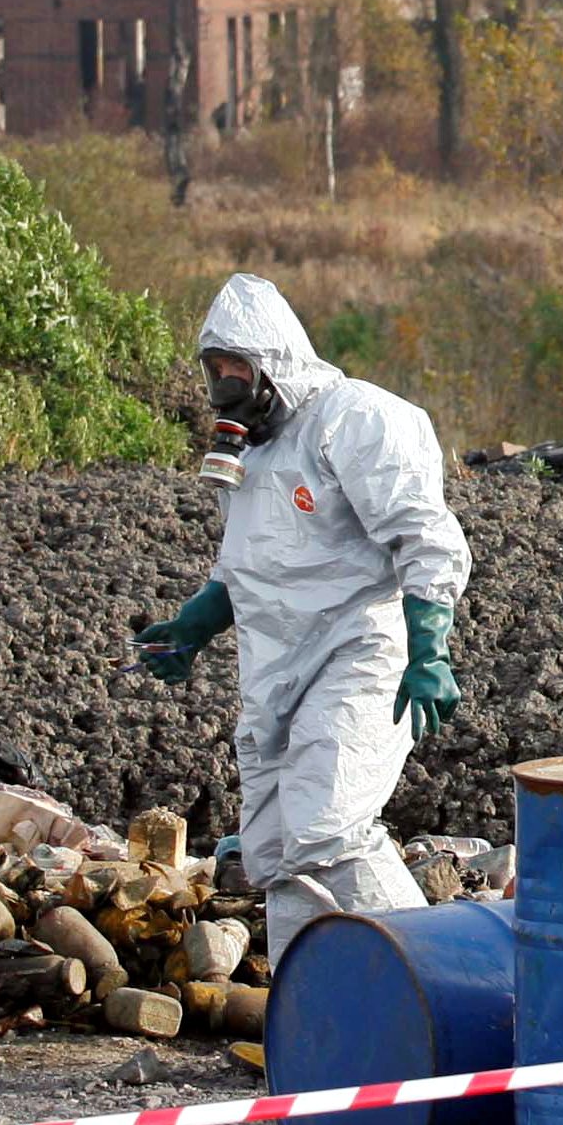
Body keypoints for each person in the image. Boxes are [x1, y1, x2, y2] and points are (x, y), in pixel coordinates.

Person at [133, 274, 468, 958]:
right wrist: (193, 627)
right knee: (276, 848)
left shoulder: (352, 419)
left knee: (327, 826)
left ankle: (442, 975)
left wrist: (429, 648)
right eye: (214, 369)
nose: (225, 383)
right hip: (275, 667)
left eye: (237, 367)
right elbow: (248, 565)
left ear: (273, 362)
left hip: (359, 648)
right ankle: (311, 1005)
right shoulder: (250, 453)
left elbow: (424, 537)